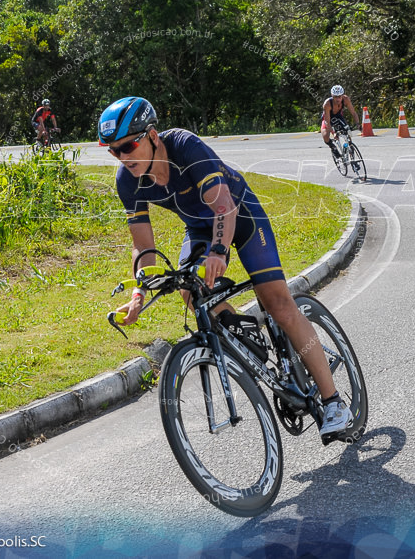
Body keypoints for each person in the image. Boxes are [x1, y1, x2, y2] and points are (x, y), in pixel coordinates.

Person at [98, 96, 352, 438]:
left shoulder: (185, 147)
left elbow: (224, 206)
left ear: (153, 135)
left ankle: (333, 400)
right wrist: (139, 290)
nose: (122, 157)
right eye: (113, 151)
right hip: (200, 228)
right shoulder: (127, 181)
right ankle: (244, 338)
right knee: (190, 291)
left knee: (278, 303)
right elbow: (143, 245)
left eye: (128, 146)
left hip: (241, 214)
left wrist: (219, 251)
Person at [321, 85, 359, 157]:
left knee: (347, 130)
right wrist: (333, 133)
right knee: (325, 137)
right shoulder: (327, 104)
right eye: (335, 97)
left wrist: (358, 124)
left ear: (342, 95)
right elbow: (327, 122)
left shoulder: (346, 99)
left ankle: (351, 151)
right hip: (328, 118)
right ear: (332, 96)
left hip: (338, 116)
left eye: (339, 97)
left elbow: (353, 113)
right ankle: (333, 147)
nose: (338, 99)